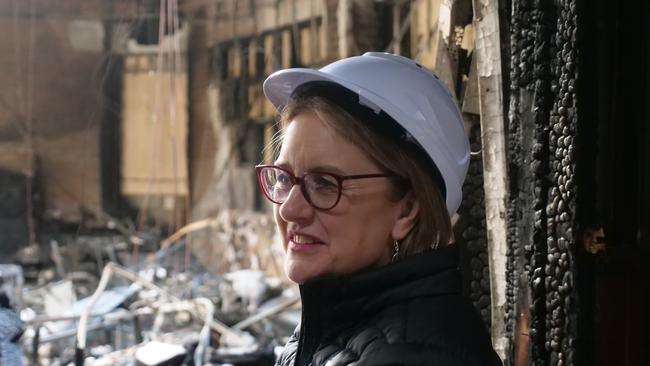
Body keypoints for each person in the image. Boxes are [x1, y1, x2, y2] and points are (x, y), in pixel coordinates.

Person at [256, 52, 502, 366]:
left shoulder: (412, 357)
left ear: (407, 209)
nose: (289, 209)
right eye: (283, 177)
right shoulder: (336, 323)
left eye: (325, 183)